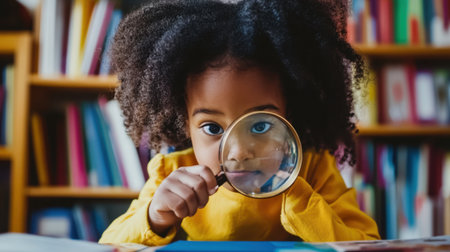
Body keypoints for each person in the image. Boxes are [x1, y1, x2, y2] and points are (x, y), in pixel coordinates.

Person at [99, 0, 380, 246]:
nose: (238, 153)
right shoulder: (171, 173)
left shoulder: (313, 171)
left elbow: (366, 245)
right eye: (212, 128)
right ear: (185, 124)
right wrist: (155, 217)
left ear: (290, 115)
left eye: (259, 126)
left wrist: (299, 198)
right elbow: (109, 245)